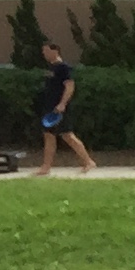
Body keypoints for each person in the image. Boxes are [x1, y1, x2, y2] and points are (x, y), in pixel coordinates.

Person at [30, 37, 96, 174]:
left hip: (59, 108)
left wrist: (62, 104)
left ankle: (88, 161)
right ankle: (46, 167)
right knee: (48, 135)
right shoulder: (51, 68)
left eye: (46, 51)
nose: (44, 54)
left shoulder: (63, 68)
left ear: (55, 51)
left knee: (67, 136)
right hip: (49, 107)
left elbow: (70, 86)